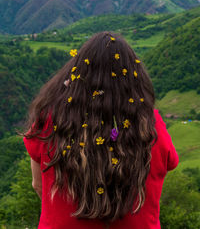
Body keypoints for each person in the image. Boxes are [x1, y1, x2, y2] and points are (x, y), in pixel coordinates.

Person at [22, 31, 179, 229]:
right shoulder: (150, 125)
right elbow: (160, 175)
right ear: (133, 77)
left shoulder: (49, 120)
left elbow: (38, 185)